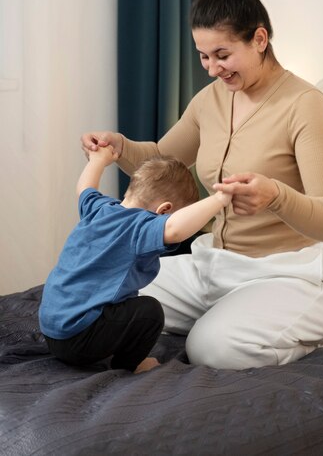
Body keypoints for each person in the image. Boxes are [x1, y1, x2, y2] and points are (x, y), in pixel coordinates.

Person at [81, 0, 323, 370]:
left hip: (288, 275)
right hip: (213, 265)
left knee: (209, 349)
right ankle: (232, 317)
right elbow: (162, 159)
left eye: (222, 55)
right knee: (98, 296)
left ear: (259, 40)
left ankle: (307, 339)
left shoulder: (305, 105)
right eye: (203, 56)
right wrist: (119, 147)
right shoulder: (212, 99)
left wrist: (275, 195)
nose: (211, 69)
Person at [39, 146, 231, 374]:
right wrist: (221, 199)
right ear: (164, 210)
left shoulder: (98, 209)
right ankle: (132, 364)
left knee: (119, 302)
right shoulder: (139, 227)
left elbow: (85, 188)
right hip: (79, 341)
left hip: (51, 330)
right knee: (149, 311)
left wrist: (98, 159)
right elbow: (176, 230)